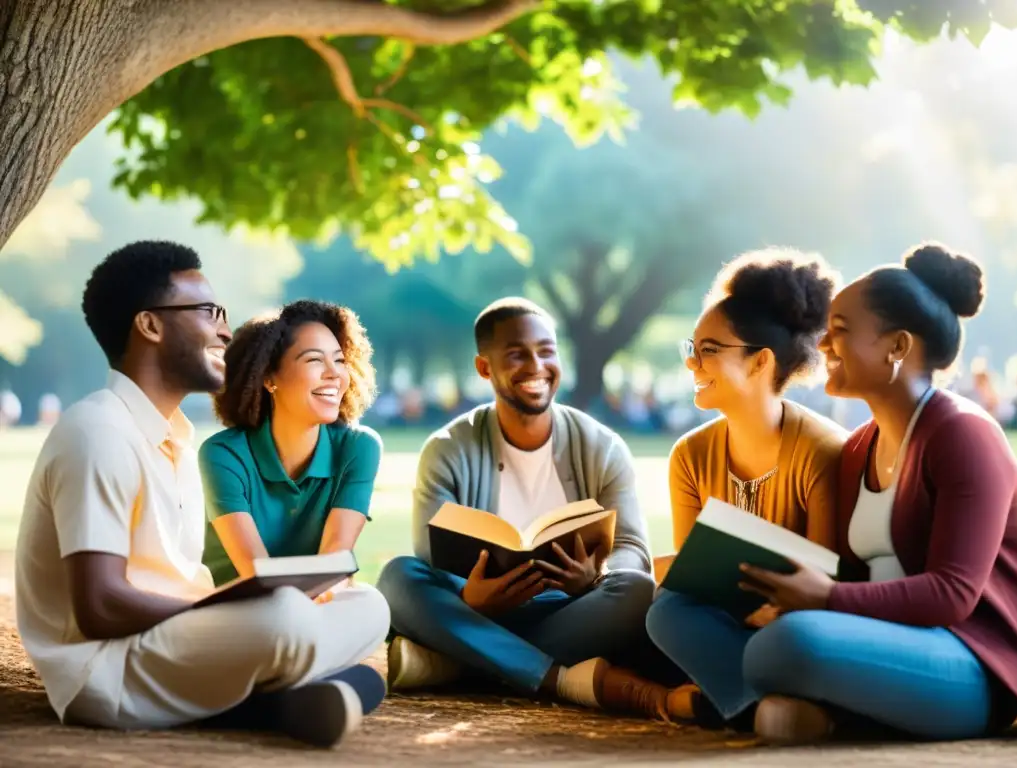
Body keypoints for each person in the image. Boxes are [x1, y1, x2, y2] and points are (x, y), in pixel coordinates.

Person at [14, 242, 390, 748]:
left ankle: (270, 703)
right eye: (207, 312)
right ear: (150, 325)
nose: (225, 332)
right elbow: (99, 606)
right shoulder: (97, 430)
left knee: (369, 606)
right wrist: (222, 612)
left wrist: (226, 613)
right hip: (107, 668)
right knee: (286, 617)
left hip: (172, 643)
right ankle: (275, 697)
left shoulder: (176, 439)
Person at [692, 243, 1017, 744]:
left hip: (970, 663)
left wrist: (825, 597)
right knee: (681, 613)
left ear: (897, 347)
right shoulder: (857, 449)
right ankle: (821, 712)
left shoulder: (964, 434)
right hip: (881, 645)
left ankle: (793, 701)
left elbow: (953, 594)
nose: (822, 344)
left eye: (841, 331)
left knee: (783, 647)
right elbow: (851, 570)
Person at [377, 297, 685, 719]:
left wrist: (595, 577)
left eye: (546, 351)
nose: (536, 366)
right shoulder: (447, 449)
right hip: (473, 606)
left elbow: (633, 548)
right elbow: (431, 553)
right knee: (398, 576)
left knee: (634, 589)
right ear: (485, 368)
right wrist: (471, 597)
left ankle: (459, 663)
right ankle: (555, 677)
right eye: (517, 354)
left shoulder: (603, 447)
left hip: (570, 610)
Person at [645, 248, 848, 727]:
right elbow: (691, 583)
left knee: (791, 637)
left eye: (709, 351)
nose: (693, 365)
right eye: (691, 350)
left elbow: (832, 582)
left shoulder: (823, 451)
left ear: (761, 362)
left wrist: (776, 612)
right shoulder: (689, 457)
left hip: (803, 623)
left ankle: (744, 701)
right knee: (664, 611)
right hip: (726, 625)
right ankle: (756, 705)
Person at [200, 299, 380, 592]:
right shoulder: (223, 454)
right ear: (269, 378)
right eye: (314, 360)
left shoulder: (359, 447)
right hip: (241, 605)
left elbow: (334, 559)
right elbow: (254, 571)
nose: (334, 373)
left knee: (371, 601)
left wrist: (325, 596)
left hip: (319, 597)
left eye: (339, 360)